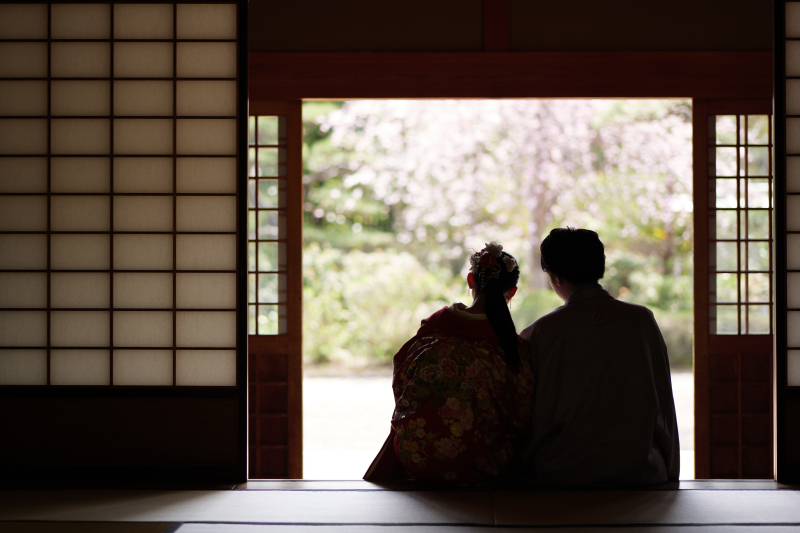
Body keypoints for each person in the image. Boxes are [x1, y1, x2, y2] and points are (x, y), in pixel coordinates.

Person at [364, 242, 535, 485]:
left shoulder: (435, 329)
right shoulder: (514, 348)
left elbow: (402, 381)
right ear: (513, 291)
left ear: (470, 280)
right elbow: (523, 409)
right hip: (489, 466)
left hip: (419, 457)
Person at [520, 228, 679, 487]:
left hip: (560, 474)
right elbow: (664, 403)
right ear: (599, 267)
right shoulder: (642, 322)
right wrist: (671, 472)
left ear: (556, 277)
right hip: (639, 472)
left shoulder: (539, 333)